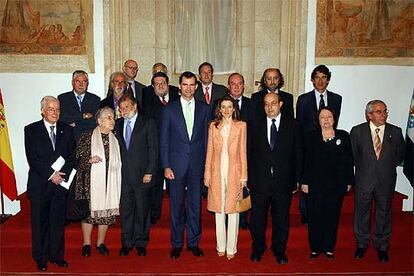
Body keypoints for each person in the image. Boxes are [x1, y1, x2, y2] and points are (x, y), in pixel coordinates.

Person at [160, 71, 210, 259]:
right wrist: (166, 165)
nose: (188, 88)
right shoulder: (169, 110)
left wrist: (206, 165)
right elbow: (164, 140)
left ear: (196, 87)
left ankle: (194, 243)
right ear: (179, 86)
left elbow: (206, 140)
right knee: (176, 207)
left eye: (191, 85)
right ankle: (177, 244)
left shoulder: (205, 109)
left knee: (196, 206)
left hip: (197, 165)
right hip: (175, 166)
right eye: (185, 85)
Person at [248, 93, 302, 264]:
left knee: (281, 219)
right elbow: (248, 153)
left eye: (273, 103)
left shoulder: (293, 125)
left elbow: (298, 154)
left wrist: (297, 179)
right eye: (266, 104)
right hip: (259, 182)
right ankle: (258, 248)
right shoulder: (254, 125)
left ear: (280, 104)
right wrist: (248, 179)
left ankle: (279, 250)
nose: (269, 107)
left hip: (283, 182)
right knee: (257, 219)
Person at [24, 96, 76, 271]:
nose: (55, 113)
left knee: (58, 223)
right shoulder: (31, 130)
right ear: (42, 111)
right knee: (40, 224)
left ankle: (57, 256)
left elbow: (72, 155)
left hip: (60, 185)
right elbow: (33, 158)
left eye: (58, 109)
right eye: (51, 109)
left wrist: (60, 176)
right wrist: (51, 174)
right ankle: (41, 258)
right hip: (40, 185)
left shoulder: (67, 130)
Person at [350, 100, 405, 263]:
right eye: (379, 111)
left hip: (386, 180)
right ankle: (362, 244)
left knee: (384, 213)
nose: (384, 114)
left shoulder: (395, 132)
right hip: (364, 180)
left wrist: (383, 167)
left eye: (385, 111)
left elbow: (399, 155)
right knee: (362, 213)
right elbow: (353, 155)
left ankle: (382, 247)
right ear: (369, 115)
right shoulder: (357, 131)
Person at [300, 107, 353, 259]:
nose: (326, 120)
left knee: (332, 217)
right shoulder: (310, 137)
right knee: (315, 217)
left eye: (329, 117)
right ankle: (315, 248)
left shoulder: (343, 136)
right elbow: (305, 161)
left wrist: (349, 181)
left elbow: (348, 160)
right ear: (318, 120)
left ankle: (329, 247)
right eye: (322, 117)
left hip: (336, 185)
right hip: (315, 184)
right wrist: (304, 181)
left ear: (334, 119)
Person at [296, 65, 342, 224]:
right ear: (312, 80)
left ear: (328, 79)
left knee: (326, 178)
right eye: (317, 77)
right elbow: (300, 124)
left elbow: (334, 123)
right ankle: (306, 212)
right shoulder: (303, 99)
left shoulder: (337, 99)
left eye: (323, 77)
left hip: (329, 147)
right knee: (307, 178)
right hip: (308, 146)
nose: (320, 81)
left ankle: (324, 211)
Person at [210, 73, 257, 228]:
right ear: (228, 86)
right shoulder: (218, 104)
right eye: (233, 83)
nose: (236, 86)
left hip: (247, 155)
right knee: (223, 193)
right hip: (223, 159)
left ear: (244, 85)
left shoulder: (253, 104)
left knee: (240, 193)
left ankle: (241, 220)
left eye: (240, 83)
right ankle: (224, 221)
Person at [204, 96, 247, 260]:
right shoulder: (213, 127)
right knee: (219, 209)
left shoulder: (241, 126)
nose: (227, 110)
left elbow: (243, 152)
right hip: (217, 170)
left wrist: (244, 176)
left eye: (230, 107)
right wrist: (207, 174)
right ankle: (220, 246)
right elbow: (209, 152)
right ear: (219, 109)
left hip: (234, 171)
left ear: (234, 108)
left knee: (233, 209)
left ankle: (231, 248)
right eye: (224, 107)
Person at [75, 107, 122, 257]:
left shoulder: (115, 138)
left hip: (110, 182)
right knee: (89, 214)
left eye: (113, 117)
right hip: (90, 182)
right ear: (99, 121)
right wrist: (89, 160)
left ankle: (100, 243)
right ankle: (86, 243)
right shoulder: (87, 136)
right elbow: (77, 159)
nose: (112, 120)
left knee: (105, 214)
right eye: (108, 118)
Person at [116, 94, 158, 257]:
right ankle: (126, 243)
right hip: (124, 176)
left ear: (135, 107)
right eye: (121, 108)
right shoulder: (118, 124)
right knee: (126, 210)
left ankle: (141, 242)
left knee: (142, 210)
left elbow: (153, 149)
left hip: (143, 176)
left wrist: (150, 171)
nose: (124, 110)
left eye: (126, 107)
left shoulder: (147, 123)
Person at [142, 71, 180, 224]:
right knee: (156, 185)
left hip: (176, 149)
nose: (160, 86)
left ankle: (177, 215)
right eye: (157, 84)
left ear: (168, 84)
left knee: (175, 185)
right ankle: (154, 215)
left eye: (163, 83)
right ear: (152, 86)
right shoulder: (148, 102)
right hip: (157, 149)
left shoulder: (178, 98)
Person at [58, 70, 101, 140]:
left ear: (88, 83)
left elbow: (94, 121)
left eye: (84, 81)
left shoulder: (95, 99)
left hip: (88, 138)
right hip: (68, 138)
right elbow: (63, 118)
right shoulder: (63, 98)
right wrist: (83, 116)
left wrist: (75, 124)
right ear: (72, 82)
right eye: (78, 81)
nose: (81, 84)